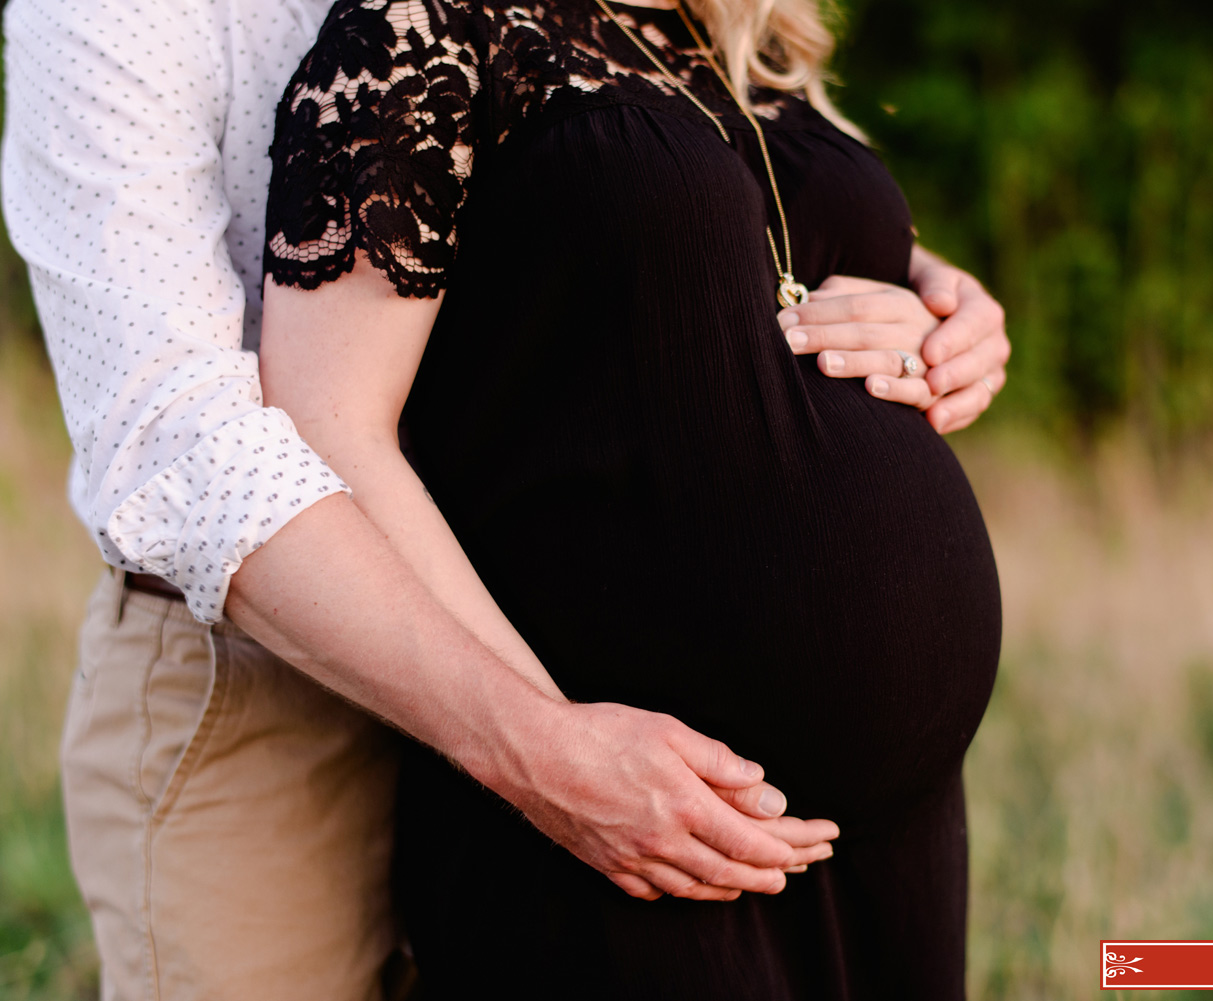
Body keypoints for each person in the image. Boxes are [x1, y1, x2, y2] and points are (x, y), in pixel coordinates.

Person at [0, 0, 1011, 998]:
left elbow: (625, 233)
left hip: (534, 623)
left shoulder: (667, 18)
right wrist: (546, 748)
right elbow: (179, 442)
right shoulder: (123, 14)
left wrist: (915, 290)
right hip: (265, 657)